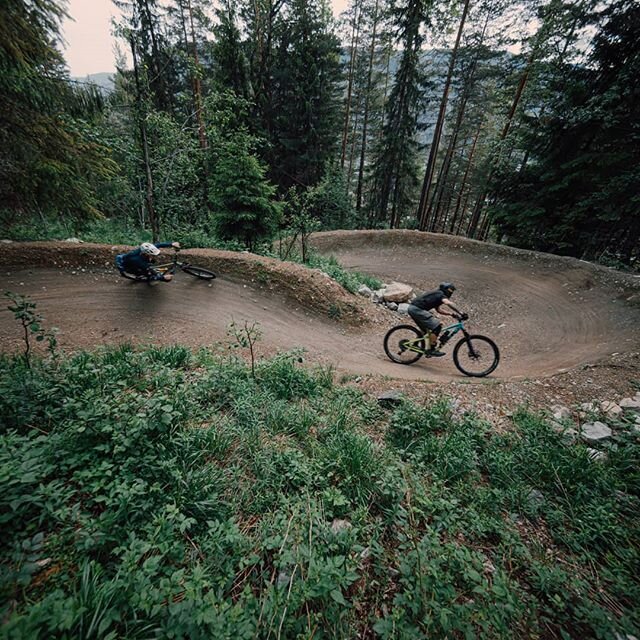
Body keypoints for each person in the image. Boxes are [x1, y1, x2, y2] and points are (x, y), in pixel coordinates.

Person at [407, 282, 466, 356]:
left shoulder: (437, 295)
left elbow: (439, 310)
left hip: (413, 309)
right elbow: (448, 303)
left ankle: (414, 345)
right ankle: (431, 350)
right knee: (437, 327)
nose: (451, 293)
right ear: (446, 289)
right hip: (417, 310)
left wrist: (451, 314)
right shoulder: (440, 294)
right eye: (450, 291)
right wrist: (461, 313)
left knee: (425, 330)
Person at [115, 241, 180, 281]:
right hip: (129, 267)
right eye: (152, 255)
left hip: (130, 259)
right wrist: (163, 278)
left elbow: (159, 245)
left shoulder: (144, 249)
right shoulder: (138, 261)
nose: (154, 256)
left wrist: (171, 244)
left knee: (152, 262)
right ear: (145, 254)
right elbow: (148, 268)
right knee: (150, 273)